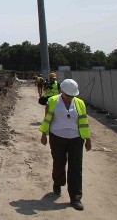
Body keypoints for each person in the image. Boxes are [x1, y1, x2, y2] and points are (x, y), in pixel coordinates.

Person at [39, 78, 91, 210]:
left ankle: (75, 197)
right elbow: (47, 119)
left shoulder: (80, 103)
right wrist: (44, 134)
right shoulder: (52, 101)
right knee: (59, 162)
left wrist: (87, 139)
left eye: (72, 96)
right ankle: (58, 182)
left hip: (76, 139)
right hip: (57, 138)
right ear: (62, 91)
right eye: (68, 95)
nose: (69, 98)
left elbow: (84, 122)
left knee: (76, 167)